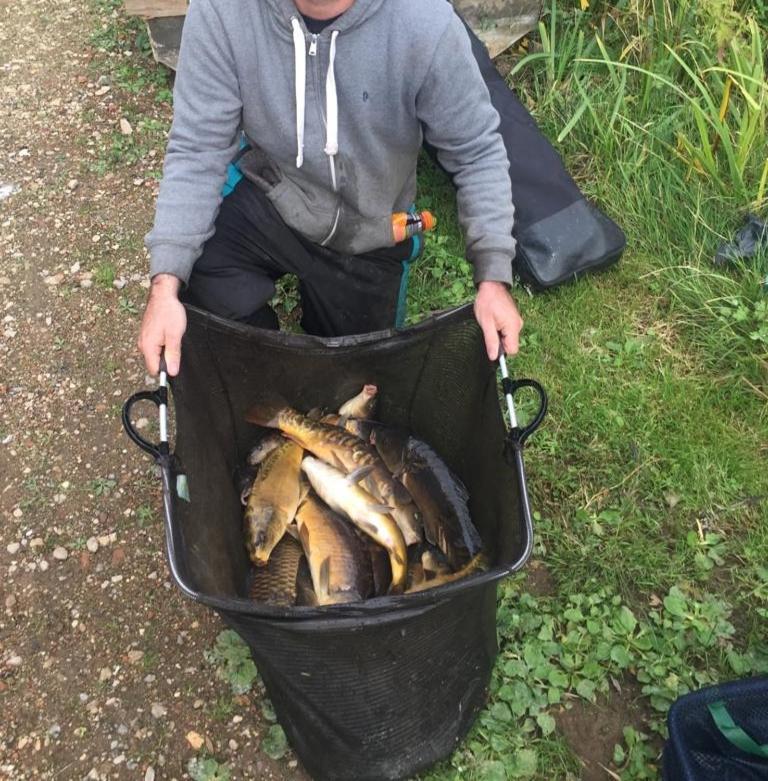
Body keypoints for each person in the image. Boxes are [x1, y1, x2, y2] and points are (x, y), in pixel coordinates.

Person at [138, 0, 524, 376]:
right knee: (202, 279)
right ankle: (260, 368)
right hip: (275, 193)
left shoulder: (426, 22)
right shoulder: (221, 11)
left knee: (354, 378)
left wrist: (493, 278)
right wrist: (165, 284)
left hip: (370, 227)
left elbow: (476, 151)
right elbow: (197, 147)